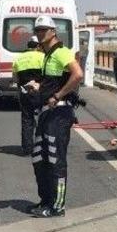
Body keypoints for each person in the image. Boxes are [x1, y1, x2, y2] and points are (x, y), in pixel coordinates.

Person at [26, 16, 83, 217]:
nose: (40, 33)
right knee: (40, 160)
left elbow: (78, 74)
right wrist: (38, 87)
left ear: (53, 31)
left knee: (55, 160)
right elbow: (52, 82)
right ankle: (46, 201)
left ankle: (57, 206)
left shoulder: (61, 52)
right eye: (37, 30)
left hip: (59, 114)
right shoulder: (48, 55)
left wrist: (58, 95)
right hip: (46, 114)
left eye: (43, 30)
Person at [11, 36, 44, 154]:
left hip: (25, 92)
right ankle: (42, 146)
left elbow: (15, 78)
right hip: (40, 92)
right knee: (43, 119)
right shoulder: (42, 57)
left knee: (27, 119)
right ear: (37, 46)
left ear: (28, 46)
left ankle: (27, 148)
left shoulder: (19, 58)